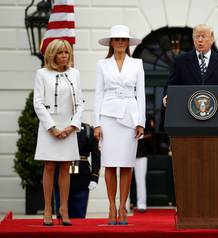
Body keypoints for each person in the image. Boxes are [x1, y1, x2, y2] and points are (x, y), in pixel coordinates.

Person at [94, 25, 145, 225]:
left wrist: (140, 121)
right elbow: (98, 93)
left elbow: (140, 94)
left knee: (126, 163)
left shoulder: (137, 64)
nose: (121, 43)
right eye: (117, 39)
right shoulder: (102, 64)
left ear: (128, 43)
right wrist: (97, 123)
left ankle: (123, 206)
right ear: (111, 42)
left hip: (130, 118)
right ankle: (111, 206)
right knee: (109, 163)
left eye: (124, 39)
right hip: (107, 117)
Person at [33, 39, 83, 226]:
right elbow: (37, 102)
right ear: (52, 54)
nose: (64, 56)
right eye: (60, 52)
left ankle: (63, 208)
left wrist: (72, 126)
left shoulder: (75, 74)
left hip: (69, 126)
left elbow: (80, 104)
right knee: (50, 166)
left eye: (67, 52)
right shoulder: (42, 74)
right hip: (49, 126)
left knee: (65, 167)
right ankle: (48, 208)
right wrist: (52, 128)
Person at [163, 24, 218, 106]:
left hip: (217, 111)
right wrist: (167, 95)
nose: (200, 40)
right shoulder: (181, 61)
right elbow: (171, 85)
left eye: (203, 36)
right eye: (197, 36)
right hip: (188, 110)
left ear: (212, 39)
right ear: (193, 39)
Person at [54, 122, 101, 218]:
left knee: (79, 217)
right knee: (61, 218)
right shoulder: (58, 128)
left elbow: (96, 155)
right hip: (61, 175)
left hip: (81, 178)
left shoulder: (88, 130)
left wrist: (94, 177)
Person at [133, 115, 155, 213]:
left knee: (140, 180)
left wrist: (140, 137)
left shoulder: (146, 117)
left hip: (141, 153)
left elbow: (151, 134)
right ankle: (124, 204)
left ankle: (141, 205)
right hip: (126, 153)